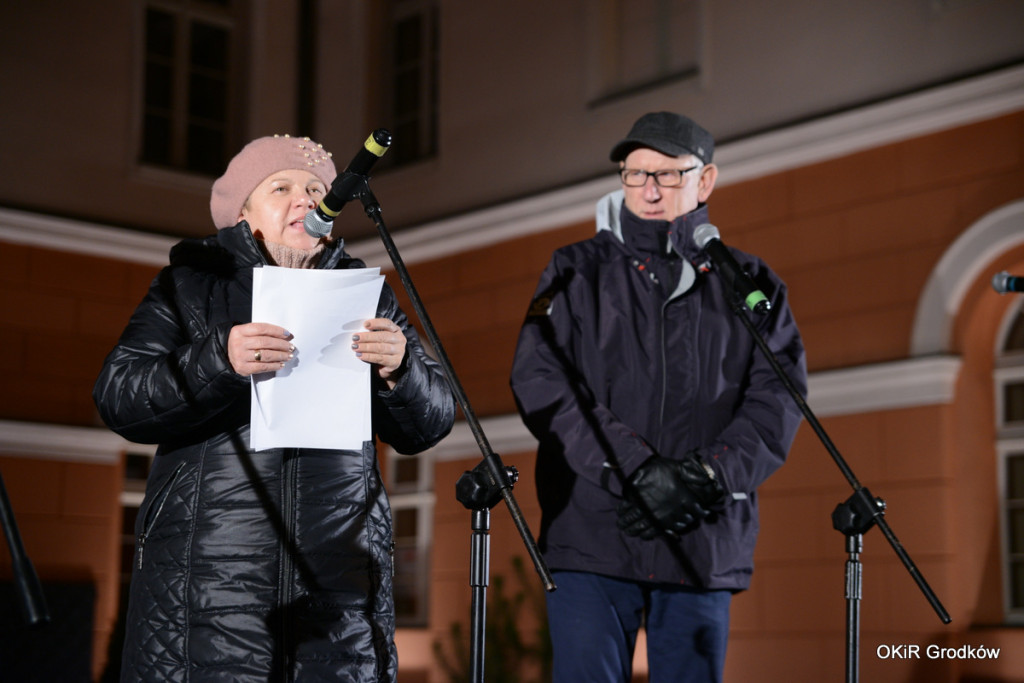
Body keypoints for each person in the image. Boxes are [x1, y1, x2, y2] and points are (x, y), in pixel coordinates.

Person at [93, 134, 455, 682]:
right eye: (281, 187)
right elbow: (119, 394)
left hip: (337, 591)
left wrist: (400, 370)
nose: (305, 199)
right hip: (208, 588)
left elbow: (431, 423)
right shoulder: (191, 285)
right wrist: (218, 358)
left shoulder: (365, 295)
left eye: (317, 189)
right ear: (243, 213)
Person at [510, 112, 807, 682]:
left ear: (706, 180)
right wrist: (636, 470)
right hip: (592, 533)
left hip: (700, 536)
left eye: (667, 175)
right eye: (635, 174)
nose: (648, 190)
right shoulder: (575, 270)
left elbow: (780, 398)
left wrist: (704, 476)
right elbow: (540, 382)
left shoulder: (749, 282)